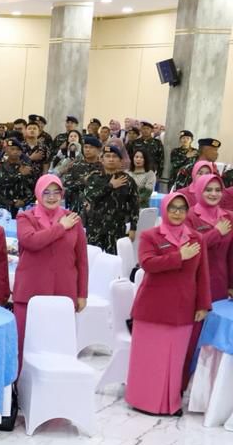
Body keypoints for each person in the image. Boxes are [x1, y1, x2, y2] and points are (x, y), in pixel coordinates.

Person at [126, 193, 212, 416]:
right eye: (172, 208)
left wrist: (203, 304)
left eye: (182, 208)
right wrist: (179, 256)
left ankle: (170, 403)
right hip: (152, 307)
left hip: (183, 307)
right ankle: (142, 400)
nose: (176, 212)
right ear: (165, 209)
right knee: (148, 358)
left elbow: (202, 275)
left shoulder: (196, 238)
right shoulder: (151, 236)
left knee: (174, 359)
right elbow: (148, 263)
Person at [13, 174, 88, 359]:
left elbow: (82, 260)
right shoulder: (26, 217)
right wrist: (60, 227)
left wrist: (82, 294)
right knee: (26, 343)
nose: (52, 197)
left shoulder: (73, 219)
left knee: (58, 345)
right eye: (46, 192)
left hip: (63, 291)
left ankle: (54, 387)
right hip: (31, 291)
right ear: (38, 193)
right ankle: (21, 385)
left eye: (56, 192)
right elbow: (31, 241)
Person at [83, 147, 138, 254]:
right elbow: (90, 197)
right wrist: (110, 186)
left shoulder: (128, 181)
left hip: (116, 228)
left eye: (114, 157)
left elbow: (134, 205)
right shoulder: (94, 178)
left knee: (115, 261)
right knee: (93, 260)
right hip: (96, 227)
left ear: (120, 161)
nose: (111, 159)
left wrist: (133, 228)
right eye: (108, 156)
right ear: (102, 160)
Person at [188, 173, 233, 302]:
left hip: (220, 280)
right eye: (208, 190)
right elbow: (191, 248)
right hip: (196, 278)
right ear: (199, 190)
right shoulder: (190, 216)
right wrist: (216, 232)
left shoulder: (229, 217)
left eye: (218, 190)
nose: (213, 194)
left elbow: (231, 254)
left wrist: (231, 284)